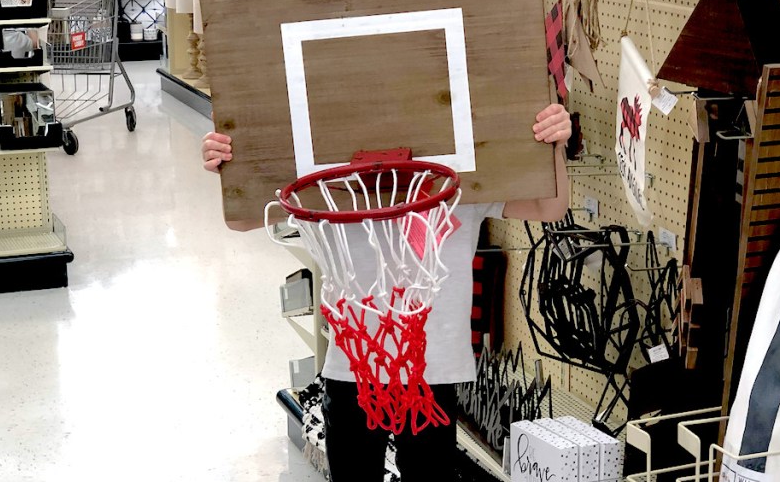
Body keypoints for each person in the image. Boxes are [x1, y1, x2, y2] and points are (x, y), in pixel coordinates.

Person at [201, 103, 571, 481]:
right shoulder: (330, 185)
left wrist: (555, 145)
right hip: (352, 371)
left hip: (431, 372)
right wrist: (227, 166)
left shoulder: (461, 183)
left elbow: (550, 206)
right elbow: (242, 219)